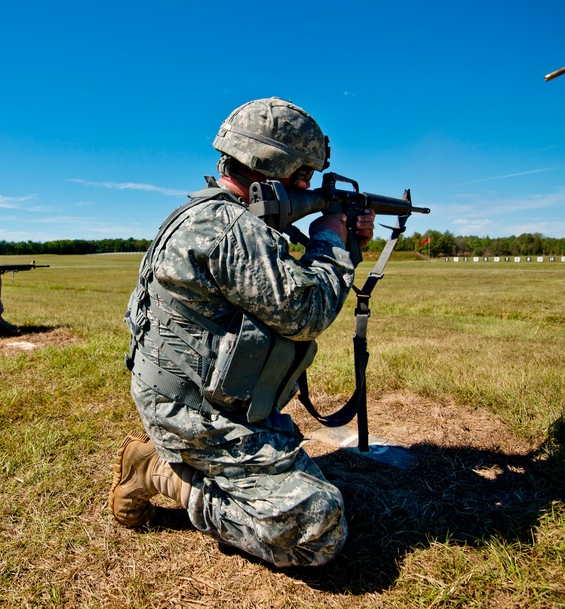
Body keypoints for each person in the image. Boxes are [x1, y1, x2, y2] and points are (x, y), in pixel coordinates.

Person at [109, 98, 375, 568]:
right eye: (303, 176)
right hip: (195, 412)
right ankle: (159, 471)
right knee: (315, 527)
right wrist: (332, 238)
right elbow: (306, 311)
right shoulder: (230, 227)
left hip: (201, 398)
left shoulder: (215, 215)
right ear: (274, 166)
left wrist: (343, 240)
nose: (308, 187)